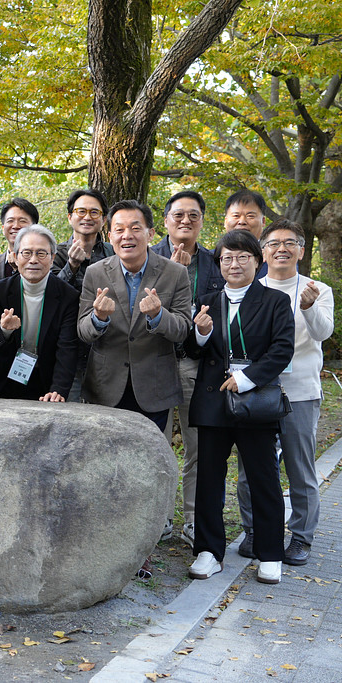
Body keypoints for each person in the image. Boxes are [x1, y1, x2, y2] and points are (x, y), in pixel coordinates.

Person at [185, 230, 294, 585]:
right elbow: (194, 351)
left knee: (263, 478)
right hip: (214, 401)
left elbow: (281, 350)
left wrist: (247, 379)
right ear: (219, 263)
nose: (234, 264)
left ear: (257, 262)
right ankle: (208, 550)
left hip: (255, 403)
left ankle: (270, 553)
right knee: (209, 478)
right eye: (227, 258)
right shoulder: (206, 300)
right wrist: (199, 333)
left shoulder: (275, 302)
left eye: (242, 257)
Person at [235, 220, 334, 565]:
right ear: (262, 251)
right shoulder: (250, 288)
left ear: (301, 250)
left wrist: (308, 308)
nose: (281, 248)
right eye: (273, 242)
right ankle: (254, 531)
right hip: (258, 391)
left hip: (300, 393)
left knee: (299, 466)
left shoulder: (316, 288)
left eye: (290, 242)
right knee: (252, 468)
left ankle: (302, 537)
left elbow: (323, 333)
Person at [77, 199, 192, 431]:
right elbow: (83, 331)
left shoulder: (175, 273)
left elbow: (182, 329)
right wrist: (98, 318)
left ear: (150, 234)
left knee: (150, 461)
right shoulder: (95, 273)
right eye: (119, 229)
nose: (126, 235)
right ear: (110, 236)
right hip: (105, 387)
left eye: (135, 228)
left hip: (154, 386)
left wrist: (159, 315)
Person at [152, 190, 225, 545]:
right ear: (165, 221)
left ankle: (194, 518)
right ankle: (160, 517)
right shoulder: (149, 259)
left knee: (198, 446)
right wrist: (172, 274)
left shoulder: (214, 263)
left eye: (193, 216)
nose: (185, 221)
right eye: (178, 215)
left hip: (198, 365)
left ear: (201, 222)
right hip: (156, 364)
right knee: (158, 444)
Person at [0, 225, 78, 401]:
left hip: (45, 384)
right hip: (1, 381)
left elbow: (67, 347)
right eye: (26, 253)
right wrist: (4, 331)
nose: (33, 260)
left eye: (41, 254)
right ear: (16, 257)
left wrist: (59, 389)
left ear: (52, 258)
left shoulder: (68, 296)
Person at [51, 189, 114, 401]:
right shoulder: (55, 252)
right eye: (81, 211)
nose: (87, 217)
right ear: (70, 217)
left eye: (94, 212)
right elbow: (51, 295)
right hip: (66, 348)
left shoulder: (113, 253)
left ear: (103, 220)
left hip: (106, 348)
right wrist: (71, 266)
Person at [224, 189, 269, 278]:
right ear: (225, 222)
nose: (242, 221)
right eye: (236, 216)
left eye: (250, 216)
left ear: (263, 221)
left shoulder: (275, 259)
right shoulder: (210, 259)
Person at [0, 198, 39, 280]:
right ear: (3, 228)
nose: (16, 226)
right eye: (10, 221)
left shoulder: (44, 262)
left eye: (22, 221)